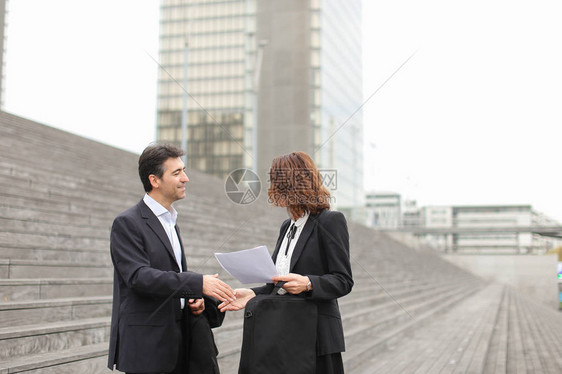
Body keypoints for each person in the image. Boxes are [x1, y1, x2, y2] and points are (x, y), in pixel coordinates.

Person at [220, 151, 354, 374]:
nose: (274, 187)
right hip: (286, 337)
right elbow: (279, 282)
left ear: (297, 183)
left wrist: (308, 283)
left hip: (316, 338)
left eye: (279, 181)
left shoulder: (330, 221)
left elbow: (343, 280)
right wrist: (253, 294)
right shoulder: (287, 226)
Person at [108, 144, 235, 374]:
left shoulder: (170, 221)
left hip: (180, 344)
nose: (185, 178)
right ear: (154, 180)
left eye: (183, 170)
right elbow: (138, 277)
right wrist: (198, 284)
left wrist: (193, 298)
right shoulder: (127, 223)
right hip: (149, 349)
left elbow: (171, 277)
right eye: (176, 173)